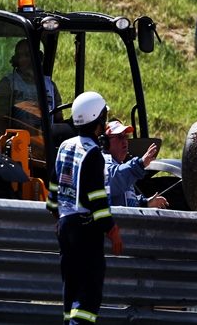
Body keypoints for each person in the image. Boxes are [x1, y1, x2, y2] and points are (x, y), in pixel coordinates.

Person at [45, 91, 123, 325]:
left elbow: (53, 185)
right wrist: (111, 229)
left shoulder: (65, 146)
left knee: (71, 287)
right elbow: (96, 199)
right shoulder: (93, 153)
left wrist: (57, 214)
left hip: (65, 226)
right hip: (85, 229)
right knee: (88, 292)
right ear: (97, 120)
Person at [0, 39, 63, 157]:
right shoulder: (8, 85)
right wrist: (7, 149)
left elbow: (59, 119)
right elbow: (0, 121)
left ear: (39, 58)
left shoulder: (50, 85)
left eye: (29, 55)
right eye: (22, 56)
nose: (26, 60)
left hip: (45, 149)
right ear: (16, 61)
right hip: (18, 149)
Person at [102, 119, 168, 209]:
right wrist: (140, 164)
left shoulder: (121, 167)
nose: (124, 141)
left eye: (126, 136)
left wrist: (146, 203)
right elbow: (114, 180)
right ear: (105, 142)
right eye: (119, 137)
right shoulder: (102, 162)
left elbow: (127, 201)